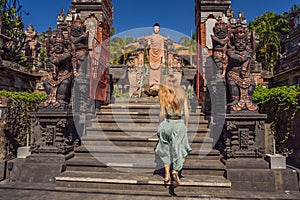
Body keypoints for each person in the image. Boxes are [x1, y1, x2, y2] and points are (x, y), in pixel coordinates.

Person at [154, 74, 192, 186]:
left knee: (165, 148)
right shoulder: (182, 93)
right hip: (178, 123)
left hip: (167, 123)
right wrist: (186, 125)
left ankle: (166, 174)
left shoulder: (163, 93)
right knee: (178, 148)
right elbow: (186, 112)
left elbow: (162, 113)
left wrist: (160, 124)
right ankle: (175, 170)